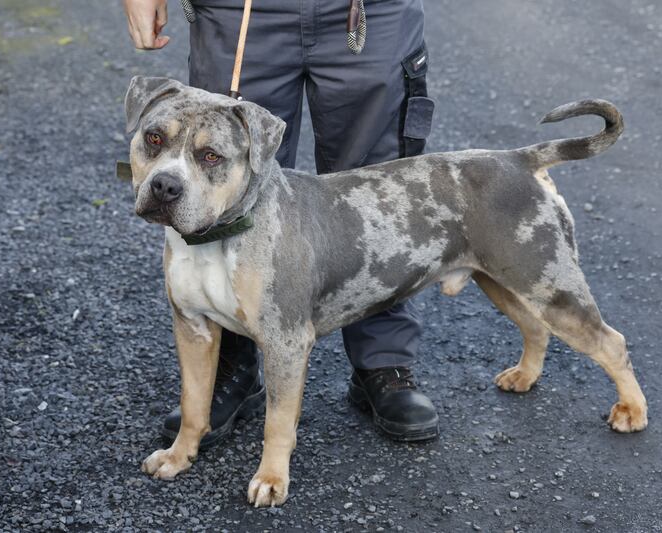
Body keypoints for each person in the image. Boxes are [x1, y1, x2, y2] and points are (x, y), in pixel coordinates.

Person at [121, 0, 439, 445]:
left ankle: (381, 358)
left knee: (375, 193)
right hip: (240, 8)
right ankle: (234, 359)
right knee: (215, 179)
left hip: (367, 9)